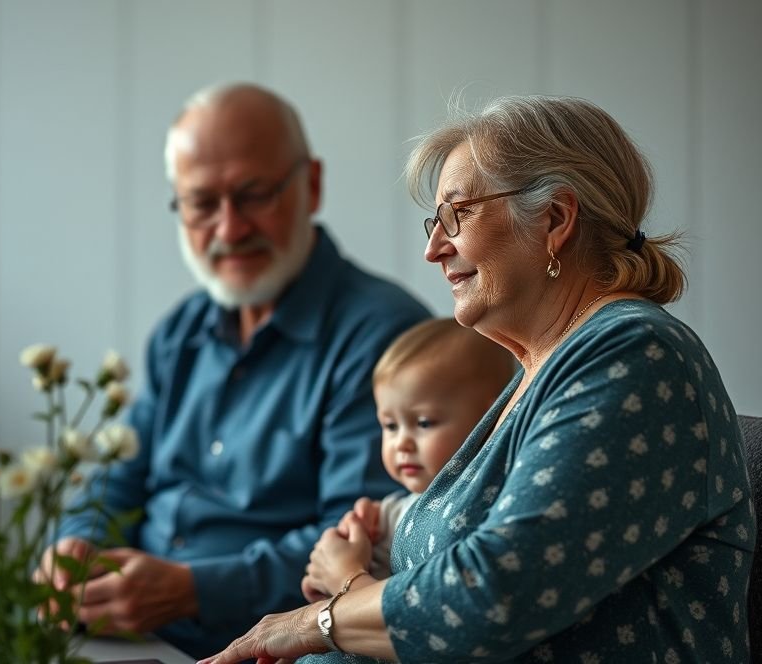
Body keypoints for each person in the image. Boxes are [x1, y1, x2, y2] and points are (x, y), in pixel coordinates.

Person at [200, 95, 756, 664]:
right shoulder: (535, 372)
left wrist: (322, 617)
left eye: (456, 215)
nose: (433, 249)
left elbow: (490, 598)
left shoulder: (635, 351)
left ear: (556, 220)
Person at [34, 83, 430, 658]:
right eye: (201, 203)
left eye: (254, 194)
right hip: (123, 628)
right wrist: (73, 548)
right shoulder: (181, 332)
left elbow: (360, 541)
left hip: (246, 642)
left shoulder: (382, 338)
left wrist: (191, 590)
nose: (229, 229)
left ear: (312, 185)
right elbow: (118, 479)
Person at [301, 318, 514, 602]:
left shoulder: (486, 504)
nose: (401, 442)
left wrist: (344, 576)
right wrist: (340, 552)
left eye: (424, 423)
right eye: (390, 426)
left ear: (489, 419)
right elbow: (326, 594)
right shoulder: (386, 517)